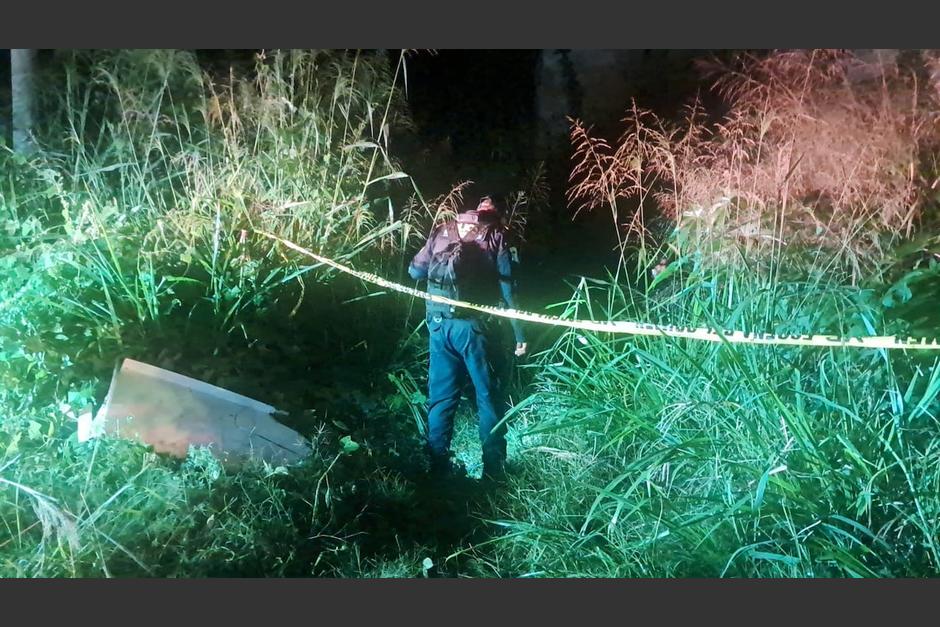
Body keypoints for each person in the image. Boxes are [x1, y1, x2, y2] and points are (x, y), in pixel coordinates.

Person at [408, 196, 527, 482]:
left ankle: (437, 469)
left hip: (437, 326)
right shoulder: (496, 235)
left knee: (441, 397)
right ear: (497, 214)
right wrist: (519, 334)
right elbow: (508, 290)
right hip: (473, 330)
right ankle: (494, 473)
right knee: (487, 396)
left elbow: (414, 271)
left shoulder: (443, 229)